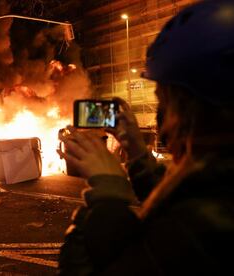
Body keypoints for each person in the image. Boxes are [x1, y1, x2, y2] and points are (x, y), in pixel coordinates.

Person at [57, 0, 234, 275]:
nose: (161, 123)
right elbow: (187, 196)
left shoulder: (200, 225)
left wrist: (107, 193)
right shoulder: (217, 189)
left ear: (190, 108)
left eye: (162, 99)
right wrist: (139, 155)